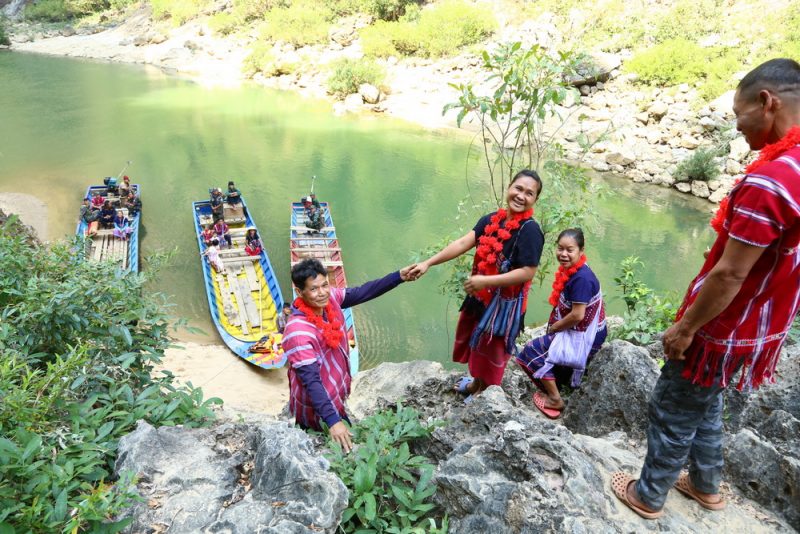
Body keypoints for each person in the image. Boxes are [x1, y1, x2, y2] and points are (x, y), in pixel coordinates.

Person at [611, 58, 800, 520]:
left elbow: (730, 274)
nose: (738, 128)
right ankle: (705, 484)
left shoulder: (770, 182)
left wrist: (686, 327)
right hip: (761, 325)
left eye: (740, 116)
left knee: (673, 404)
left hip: (722, 324)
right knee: (707, 400)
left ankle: (648, 494)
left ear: (766, 102)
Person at [407, 169, 545, 398]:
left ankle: (485, 394)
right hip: (480, 298)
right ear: (509, 188)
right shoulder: (492, 219)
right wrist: (428, 263)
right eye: (518, 188)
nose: (521, 196)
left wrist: (486, 280)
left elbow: (527, 272)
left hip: (502, 308)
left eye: (529, 193)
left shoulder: (530, 231)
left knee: (491, 351)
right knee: (476, 345)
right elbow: (463, 242)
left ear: (535, 200)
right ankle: (475, 385)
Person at [282, 258, 415, 452]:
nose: (322, 293)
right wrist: (333, 421)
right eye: (314, 289)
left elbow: (361, 292)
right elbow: (310, 381)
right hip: (315, 407)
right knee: (319, 448)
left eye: (325, 285)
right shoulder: (297, 332)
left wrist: (399, 276)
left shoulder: (331, 301)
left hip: (336, 395)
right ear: (300, 292)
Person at [515, 228, 606, 419]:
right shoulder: (575, 270)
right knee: (545, 349)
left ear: (581, 251)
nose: (563, 254)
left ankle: (555, 399)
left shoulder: (581, 279)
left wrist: (555, 327)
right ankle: (560, 376)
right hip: (583, 330)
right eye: (560, 248)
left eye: (570, 250)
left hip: (583, 337)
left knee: (528, 353)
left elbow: (577, 315)